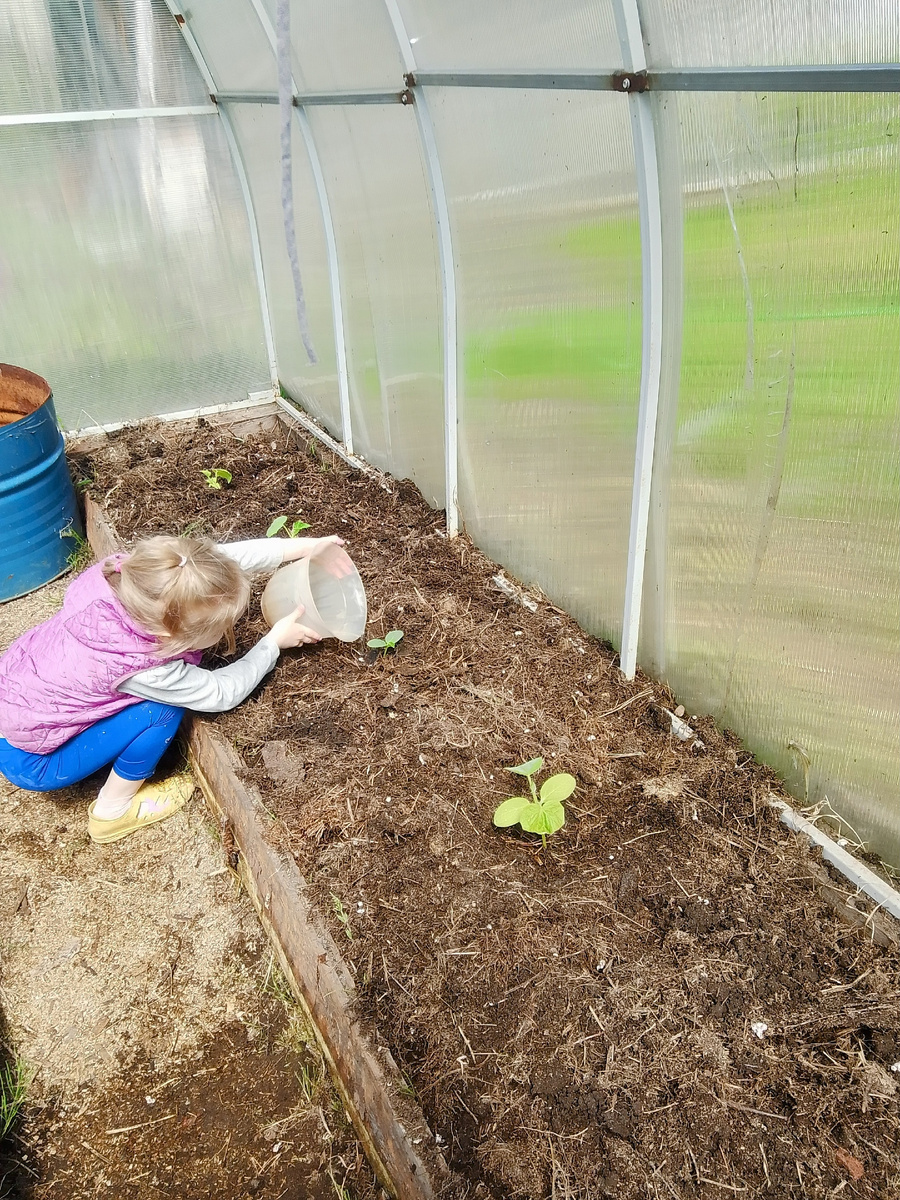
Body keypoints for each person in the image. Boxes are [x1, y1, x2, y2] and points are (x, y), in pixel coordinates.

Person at [0, 532, 348, 844]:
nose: (231, 626)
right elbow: (220, 692)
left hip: (14, 697)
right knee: (160, 711)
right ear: (169, 637)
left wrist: (306, 547)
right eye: (222, 625)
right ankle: (112, 812)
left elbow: (216, 564)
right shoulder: (144, 667)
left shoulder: (131, 577)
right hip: (30, 758)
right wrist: (273, 643)